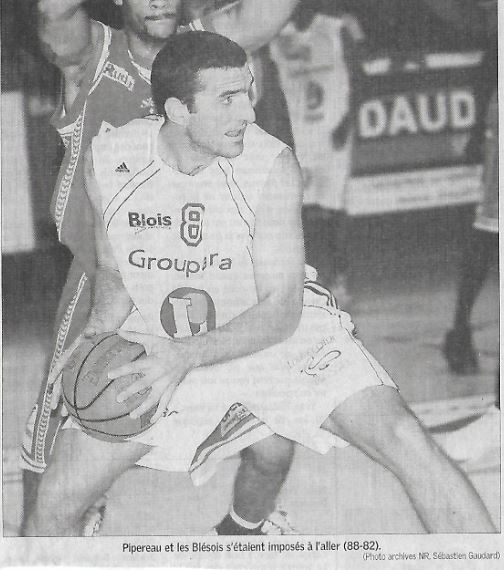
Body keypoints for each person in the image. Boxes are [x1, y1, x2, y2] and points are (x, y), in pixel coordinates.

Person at [25, 31, 496, 536]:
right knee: (54, 504)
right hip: (168, 340)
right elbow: (116, 273)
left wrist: (186, 356)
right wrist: (95, 338)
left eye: (247, 92)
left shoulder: (270, 164)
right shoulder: (110, 160)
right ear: (178, 110)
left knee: (407, 440)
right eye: (228, 99)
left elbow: (280, 311)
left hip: (275, 334)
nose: (249, 112)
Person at [22, 0, 300, 536]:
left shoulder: (206, 42)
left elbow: (270, 11)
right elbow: (54, 13)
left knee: (273, 440)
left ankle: (244, 526)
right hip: (110, 276)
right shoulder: (92, 53)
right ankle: (48, 542)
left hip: (205, 268)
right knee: (57, 434)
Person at [270, 4, 365, 304]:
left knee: (334, 209)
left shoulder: (335, 29)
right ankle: (311, 279)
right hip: (298, 136)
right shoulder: (275, 36)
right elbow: (270, 89)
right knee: (301, 210)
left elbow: (361, 79)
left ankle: (340, 277)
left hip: (333, 133)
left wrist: (348, 122)